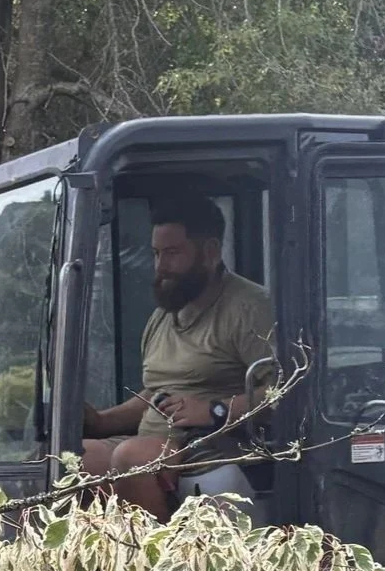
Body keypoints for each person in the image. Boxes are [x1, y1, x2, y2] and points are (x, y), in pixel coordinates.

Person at [81, 193, 274, 515]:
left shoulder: (250, 308)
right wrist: (101, 421)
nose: (160, 267)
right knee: (73, 458)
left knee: (132, 458)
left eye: (171, 254)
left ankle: (157, 560)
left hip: (213, 447)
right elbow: (157, 393)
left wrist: (217, 411)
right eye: (156, 254)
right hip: (152, 441)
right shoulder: (166, 313)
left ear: (210, 252)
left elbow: (288, 391)